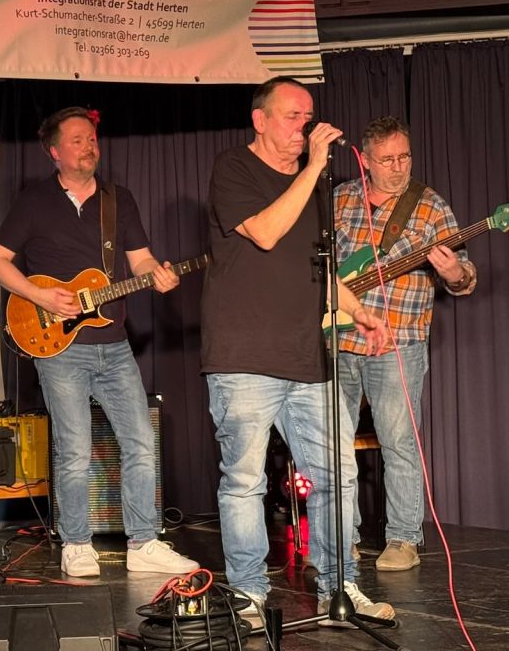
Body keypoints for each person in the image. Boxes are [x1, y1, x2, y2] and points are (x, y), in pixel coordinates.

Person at [200, 76, 393, 626]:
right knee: (245, 482)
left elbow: (320, 269)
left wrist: (359, 311)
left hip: (307, 356)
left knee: (338, 473)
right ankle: (249, 592)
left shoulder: (315, 189)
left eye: (308, 117)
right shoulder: (233, 168)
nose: (304, 128)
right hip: (243, 357)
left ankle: (340, 587)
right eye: (293, 116)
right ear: (260, 120)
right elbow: (264, 232)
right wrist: (312, 169)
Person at [0, 106, 198, 578]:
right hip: (60, 348)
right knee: (75, 448)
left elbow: (140, 261)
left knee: (140, 442)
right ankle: (77, 544)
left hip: (115, 344)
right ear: (54, 152)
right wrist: (40, 295)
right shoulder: (34, 201)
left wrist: (158, 274)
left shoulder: (118, 200)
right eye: (77, 140)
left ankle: (144, 543)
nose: (88, 147)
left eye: (92, 139)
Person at [335, 116, 476, 572]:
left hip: (399, 340)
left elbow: (465, 278)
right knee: (332, 445)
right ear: (365, 160)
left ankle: (403, 539)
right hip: (337, 337)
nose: (398, 167)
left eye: (405, 157)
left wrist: (454, 273)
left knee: (399, 442)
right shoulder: (340, 199)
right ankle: (341, 539)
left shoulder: (430, 206)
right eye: (387, 159)